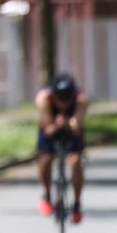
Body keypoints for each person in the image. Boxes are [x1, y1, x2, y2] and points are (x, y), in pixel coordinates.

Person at [35, 72, 88, 223]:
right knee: (45, 158)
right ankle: (46, 195)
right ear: (53, 95)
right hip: (50, 127)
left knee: (76, 161)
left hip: (71, 131)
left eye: (67, 99)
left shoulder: (81, 100)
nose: (63, 104)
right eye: (60, 99)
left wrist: (70, 124)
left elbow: (77, 127)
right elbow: (48, 129)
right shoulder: (43, 99)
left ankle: (77, 205)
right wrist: (57, 124)